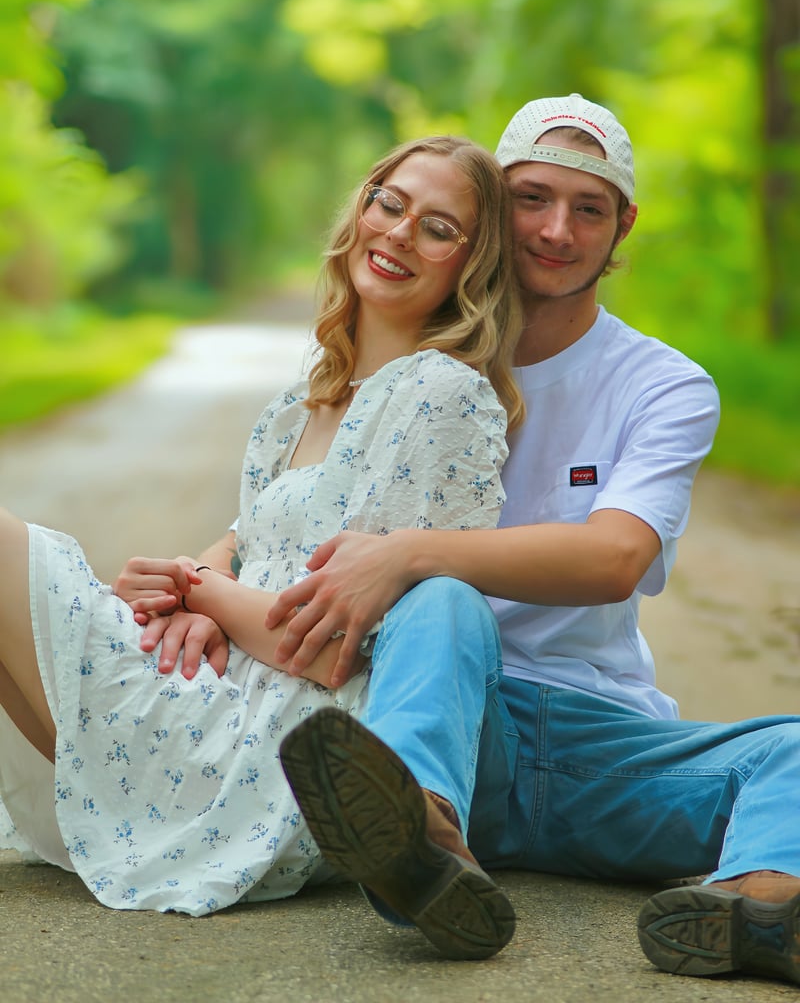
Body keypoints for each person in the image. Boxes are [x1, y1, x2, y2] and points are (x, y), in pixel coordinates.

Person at [269, 94, 800, 987]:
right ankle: (425, 838)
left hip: (599, 744)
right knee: (446, 609)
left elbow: (615, 558)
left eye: (588, 208)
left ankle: (760, 904)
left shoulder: (662, 385)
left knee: (789, 748)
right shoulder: (422, 358)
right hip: (448, 720)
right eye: (531, 200)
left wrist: (409, 550)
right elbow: (297, 497)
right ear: (489, 212)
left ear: (621, 224)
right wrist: (203, 571)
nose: (557, 229)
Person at [0, 133, 523, 953]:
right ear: (361, 207)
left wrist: (200, 591)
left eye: (437, 228)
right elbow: (250, 545)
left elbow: (339, 651)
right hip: (215, 691)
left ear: (471, 266)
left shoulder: (442, 395)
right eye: (390, 203)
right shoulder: (306, 392)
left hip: (278, 746)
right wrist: (191, 584)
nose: (397, 234)